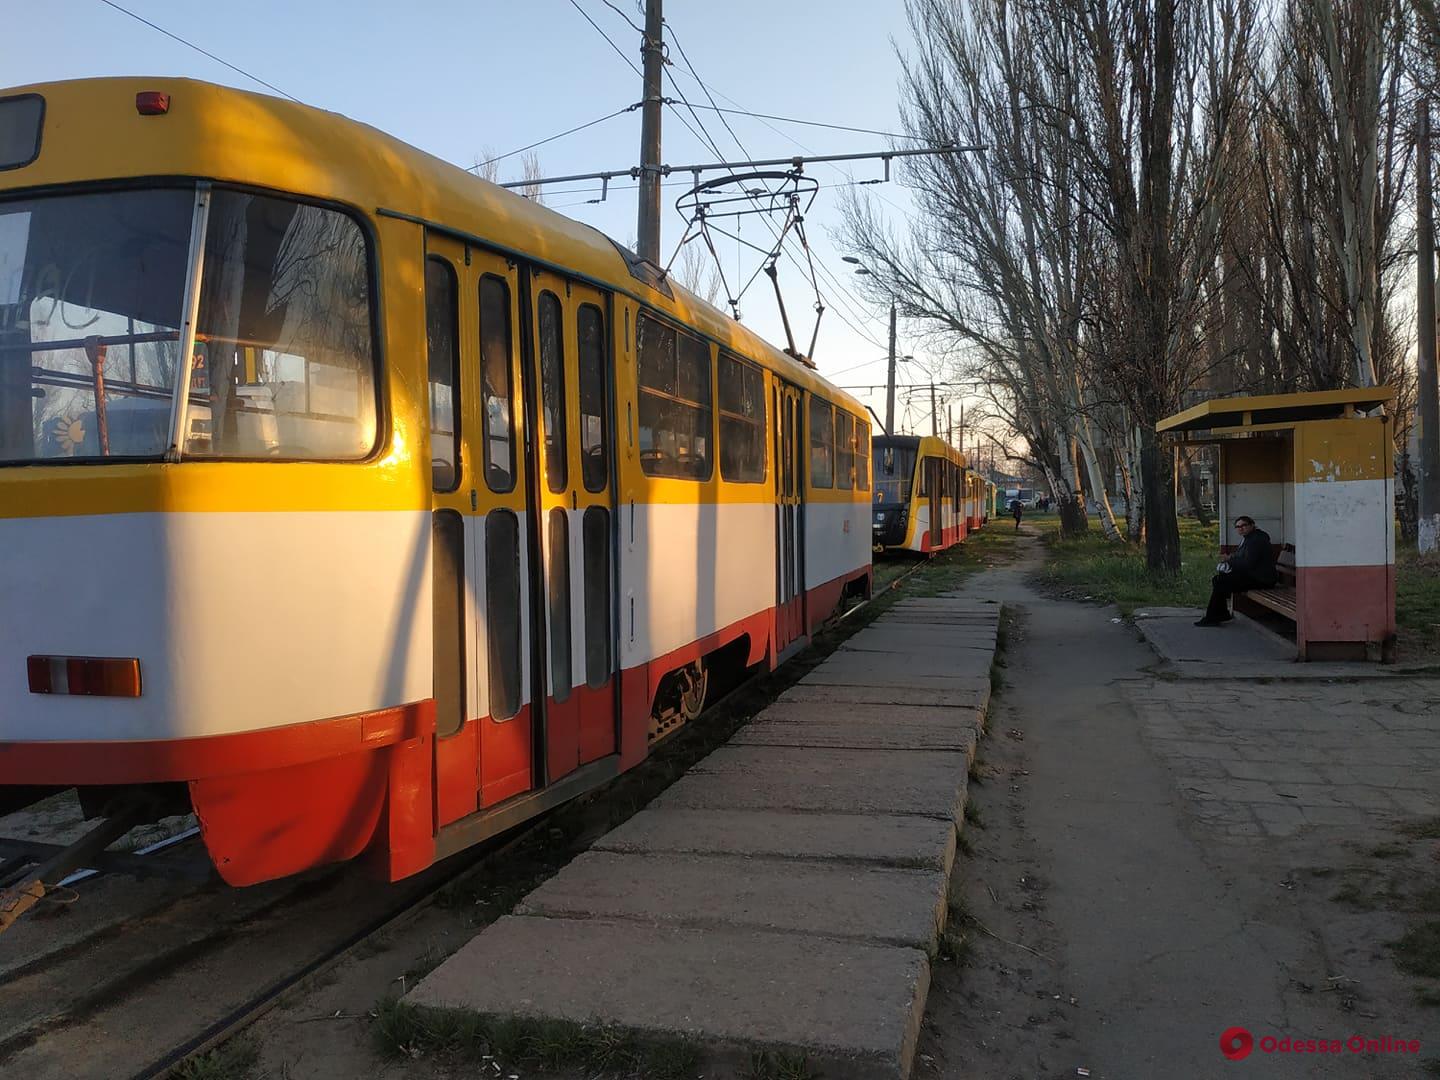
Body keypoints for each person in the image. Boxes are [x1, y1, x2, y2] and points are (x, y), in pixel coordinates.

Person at [1195, 515, 1278, 627]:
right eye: (1238, 527)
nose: (1240, 528)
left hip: (1262, 579)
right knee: (1218, 579)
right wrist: (1230, 560)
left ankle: (1213, 617)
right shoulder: (1249, 538)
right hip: (1253, 575)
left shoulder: (1257, 540)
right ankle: (1221, 613)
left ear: (1252, 525)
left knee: (1221, 581)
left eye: (1244, 525)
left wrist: (1230, 563)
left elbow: (1248, 562)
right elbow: (1242, 557)